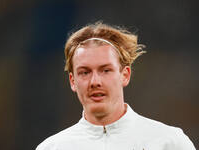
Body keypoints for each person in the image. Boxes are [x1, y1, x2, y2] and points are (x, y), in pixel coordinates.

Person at [36, 22, 196, 150]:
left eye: (105, 70)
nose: (95, 81)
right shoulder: (52, 147)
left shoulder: (169, 142)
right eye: (85, 72)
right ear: (72, 81)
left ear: (125, 75)